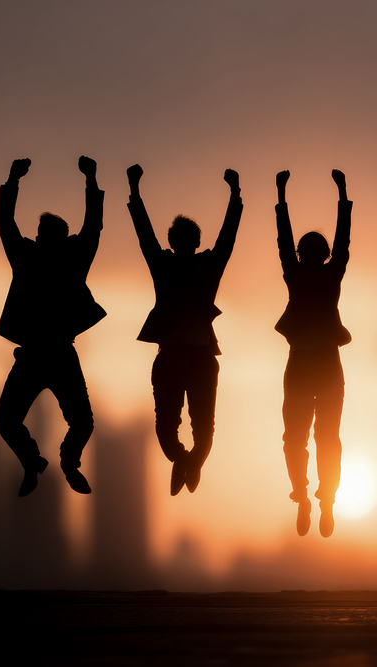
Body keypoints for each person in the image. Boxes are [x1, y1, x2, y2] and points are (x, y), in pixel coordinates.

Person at [127, 164, 242, 496]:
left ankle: (192, 463)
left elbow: (228, 238)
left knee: (204, 428)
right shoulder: (162, 264)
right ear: (172, 241)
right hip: (170, 357)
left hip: (202, 357)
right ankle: (183, 461)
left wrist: (235, 195)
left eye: (189, 239)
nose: (184, 243)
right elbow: (144, 236)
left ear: (196, 242)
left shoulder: (209, 265)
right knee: (166, 427)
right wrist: (134, 191)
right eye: (179, 238)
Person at [0, 157, 106, 497]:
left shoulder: (62, 258)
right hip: (40, 355)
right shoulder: (34, 257)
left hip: (52, 354)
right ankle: (39, 462)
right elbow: (6, 224)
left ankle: (61, 463)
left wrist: (14, 179)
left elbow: (92, 227)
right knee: (11, 420)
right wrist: (90, 178)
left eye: (48, 236)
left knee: (78, 421)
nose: (45, 240)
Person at [275, 169, 351, 537]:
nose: (309, 252)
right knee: (297, 437)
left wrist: (343, 194)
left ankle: (327, 500)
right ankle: (304, 497)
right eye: (305, 248)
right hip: (304, 362)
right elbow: (283, 241)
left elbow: (344, 241)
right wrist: (280, 196)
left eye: (316, 248)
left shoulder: (332, 273)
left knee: (326, 437)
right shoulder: (294, 272)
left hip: (324, 363)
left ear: (324, 254)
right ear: (301, 254)